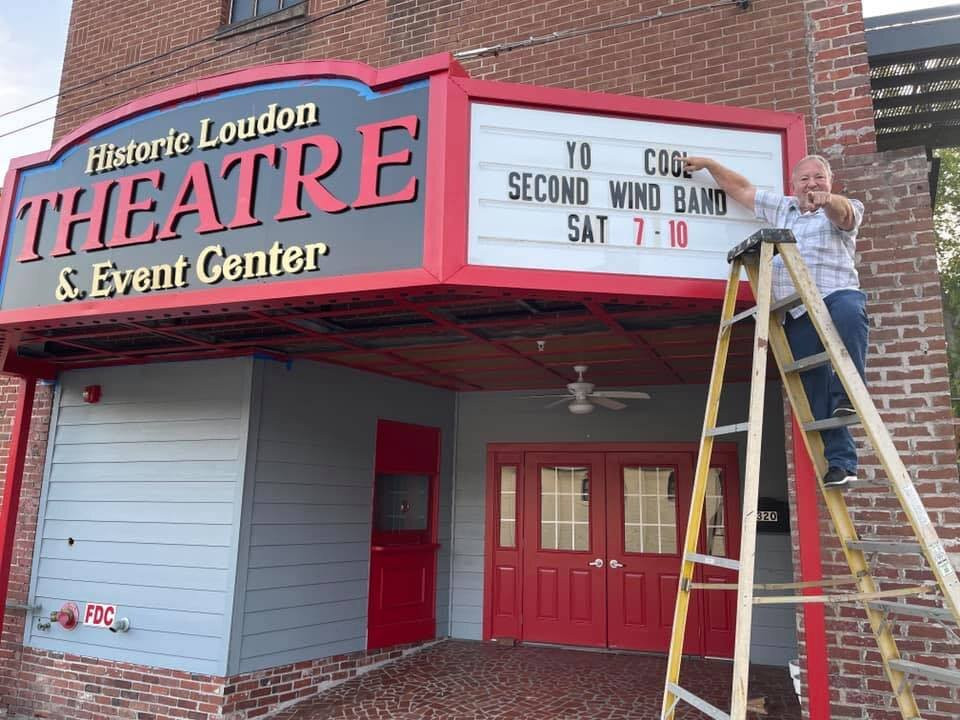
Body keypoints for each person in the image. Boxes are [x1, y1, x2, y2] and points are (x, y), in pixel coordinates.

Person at [683, 154, 868, 489]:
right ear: (793, 185)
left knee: (850, 312)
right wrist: (709, 164)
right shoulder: (783, 208)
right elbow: (741, 189)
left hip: (834, 296)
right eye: (805, 179)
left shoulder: (843, 206)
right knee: (813, 389)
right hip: (797, 312)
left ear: (830, 180)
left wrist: (828, 201)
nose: (812, 184)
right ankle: (841, 463)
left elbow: (845, 215)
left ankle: (850, 396)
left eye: (819, 177)